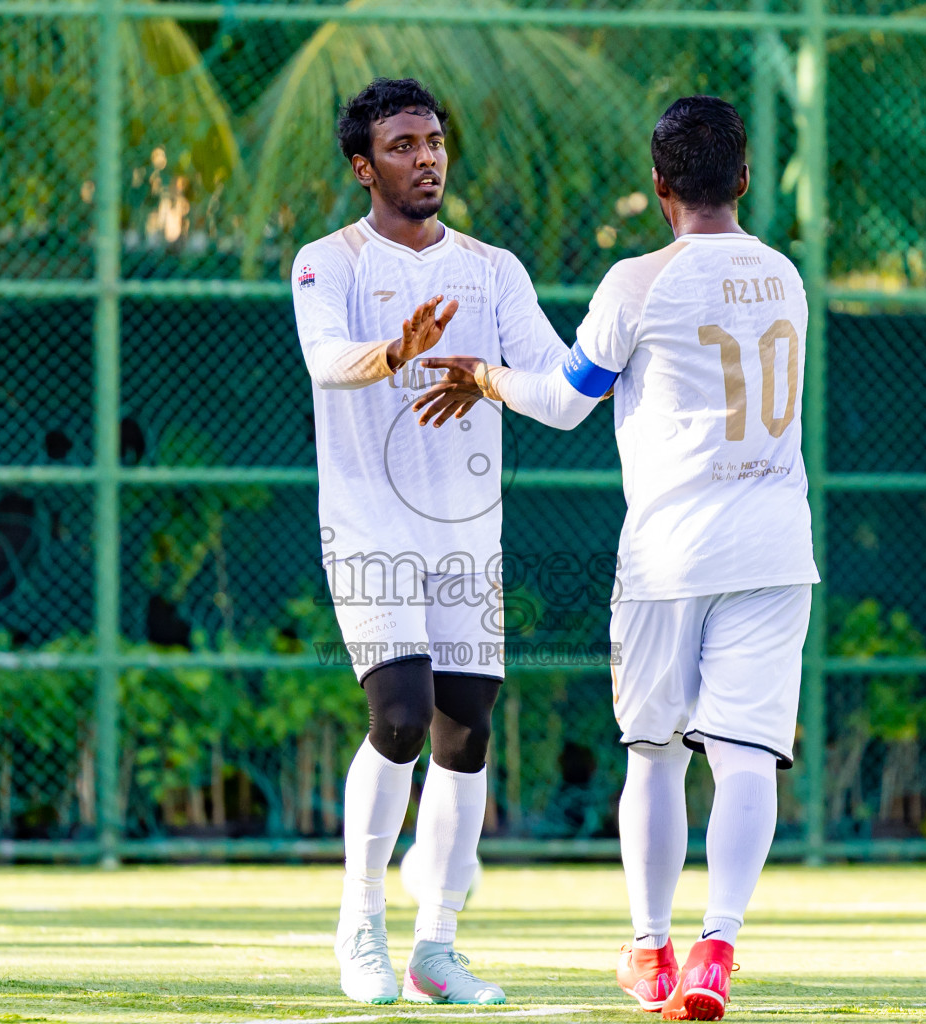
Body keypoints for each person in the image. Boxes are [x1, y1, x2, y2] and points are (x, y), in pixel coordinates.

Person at [414, 95, 818, 1021]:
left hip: (672, 551)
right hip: (776, 545)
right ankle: (720, 946)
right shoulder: (785, 275)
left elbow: (563, 401)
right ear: (744, 179)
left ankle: (650, 949)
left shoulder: (640, 282)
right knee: (749, 753)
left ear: (660, 186)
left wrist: (483, 375)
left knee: (656, 753)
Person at [290, 77, 569, 1006]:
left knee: (467, 731)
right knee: (400, 716)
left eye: (435, 140)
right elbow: (329, 364)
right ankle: (359, 923)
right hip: (369, 522)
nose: (428, 158)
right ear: (365, 166)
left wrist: (490, 379)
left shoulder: (493, 269)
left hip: (466, 534)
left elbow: (555, 381)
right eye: (404, 145)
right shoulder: (326, 261)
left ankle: (434, 950)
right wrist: (395, 354)